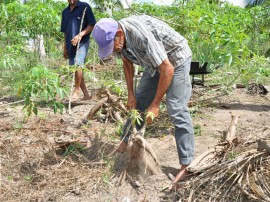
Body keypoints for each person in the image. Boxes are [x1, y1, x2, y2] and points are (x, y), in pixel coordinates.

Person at [92, 15, 195, 189]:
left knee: (176, 108)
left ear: (119, 33)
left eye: (112, 46)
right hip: (154, 63)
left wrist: (155, 105)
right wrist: (131, 94)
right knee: (138, 103)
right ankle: (124, 145)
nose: (113, 50)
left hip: (176, 58)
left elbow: (167, 68)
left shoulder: (140, 35)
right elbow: (127, 63)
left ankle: (187, 165)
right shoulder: (120, 40)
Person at [61, 0, 96, 101]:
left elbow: (92, 25)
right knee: (75, 69)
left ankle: (76, 91)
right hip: (70, 44)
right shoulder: (65, 12)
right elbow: (65, 31)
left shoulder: (85, 7)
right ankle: (86, 95)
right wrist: (65, 47)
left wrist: (80, 35)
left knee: (78, 65)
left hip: (82, 43)